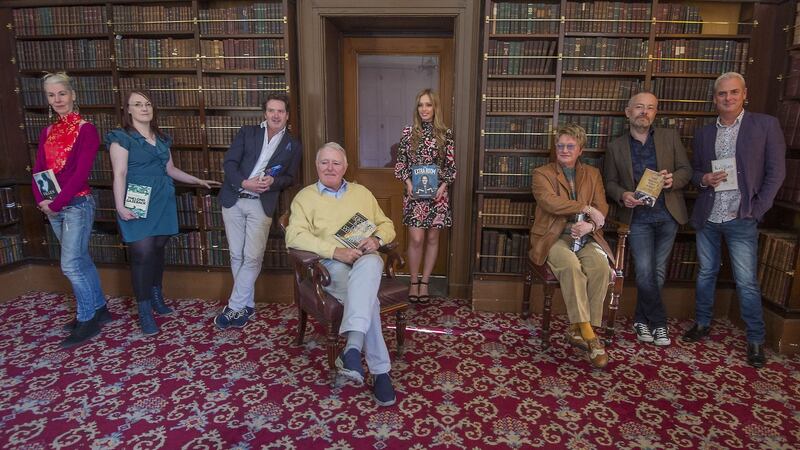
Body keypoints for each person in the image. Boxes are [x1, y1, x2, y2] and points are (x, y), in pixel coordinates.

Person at [682, 72, 786, 368]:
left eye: (733, 93)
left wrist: (757, 208)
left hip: (742, 216)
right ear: (714, 98)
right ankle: (702, 324)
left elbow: (776, 172)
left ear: (744, 94)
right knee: (706, 273)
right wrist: (703, 177)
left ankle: (755, 339)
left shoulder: (765, 126)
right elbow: (692, 171)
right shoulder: (703, 133)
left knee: (746, 281)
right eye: (722, 94)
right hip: (709, 215)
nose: (728, 98)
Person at [285, 142, 397, 406]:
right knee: (369, 299)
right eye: (324, 162)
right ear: (317, 166)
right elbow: (293, 236)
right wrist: (334, 251)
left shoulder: (361, 193)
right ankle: (380, 372)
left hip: (364, 259)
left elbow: (387, 225)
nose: (330, 167)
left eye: (336, 163)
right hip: (330, 266)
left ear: (345, 167)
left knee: (371, 264)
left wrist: (377, 241)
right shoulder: (305, 197)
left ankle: (352, 350)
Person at [107, 91, 220, 336]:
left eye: (147, 104)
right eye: (137, 104)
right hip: (137, 197)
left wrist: (197, 180)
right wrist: (120, 206)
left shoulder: (161, 138)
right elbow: (120, 174)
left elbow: (170, 169)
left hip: (163, 198)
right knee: (142, 253)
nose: (144, 108)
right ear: (128, 109)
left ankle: (157, 295)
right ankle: (144, 310)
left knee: (158, 249)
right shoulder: (121, 137)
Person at [604, 92, 692, 347]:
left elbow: (686, 170)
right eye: (640, 107)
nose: (645, 112)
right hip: (638, 217)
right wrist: (623, 195)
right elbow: (609, 182)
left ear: (655, 113)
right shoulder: (615, 146)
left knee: (658, 272)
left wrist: (672, 180)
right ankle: (659, 323)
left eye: (650, 108)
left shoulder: (669, 138)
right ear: (628, 112)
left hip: (668, 214)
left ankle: (641, 320)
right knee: (644, 272)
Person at [32, 72, 109, 349]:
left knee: (71, 264)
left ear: (73, 95)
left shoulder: (86, 129)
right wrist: (42, 200)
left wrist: (55, 203)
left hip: (76, 203)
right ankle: (100, 307)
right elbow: (39, 168)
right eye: (51, 95)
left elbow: (80, 174)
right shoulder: (48, 132)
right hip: (53, 205)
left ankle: (87, 318)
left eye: (61, 93)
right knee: (80, 259)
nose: (57, 100)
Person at [530, 123, 614, 369]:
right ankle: (589, 335)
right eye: (560, 146)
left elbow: (603, 206)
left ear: (580, 150)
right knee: (570, 266)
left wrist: (590, 226)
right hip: (552, 237)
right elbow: (551, 202)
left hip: (585, 237)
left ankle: (578, 330)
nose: (564, 150)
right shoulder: (542, 173)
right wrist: (586, 209)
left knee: (599, 266)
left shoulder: (593, 173)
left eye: (570, 146)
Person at [214, 92, 302, 329]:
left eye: (280, 111)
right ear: (265, 113)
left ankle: (233, 307)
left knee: (252, 257)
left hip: (261, 204)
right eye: (272, 110)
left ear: (287, 115)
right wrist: (244, 182)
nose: (276, 115)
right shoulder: (247, 132)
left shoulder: (293, 145)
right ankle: (247, 305)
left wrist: (274, 182)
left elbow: (290, 178)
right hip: (234, 198)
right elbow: (229, 163)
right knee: (236, 255)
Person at [393, 89, 456, 304]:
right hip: (414, 195)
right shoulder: (408, 132)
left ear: (435, 107)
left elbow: (450, 166)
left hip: (438, 195)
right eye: (421, 105)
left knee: (431, 238)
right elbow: (401, 163)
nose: (424, 109)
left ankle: (425, 283)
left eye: (428, 105)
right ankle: (413, 281)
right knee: (417, 239)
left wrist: (444, 185)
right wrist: (408, 183)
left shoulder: (445, 134)